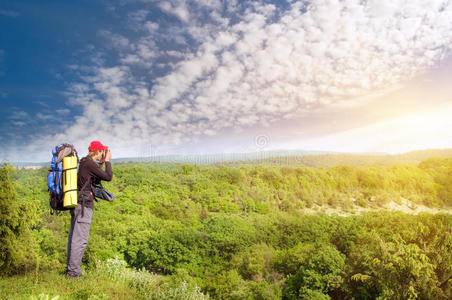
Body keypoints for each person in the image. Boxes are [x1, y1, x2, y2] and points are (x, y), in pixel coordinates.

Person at [66, 140, 113, 278]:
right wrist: (108, 161)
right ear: (98, 152)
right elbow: (108, 177)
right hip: (83, 206)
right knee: (80, 240)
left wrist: (102, 162)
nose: (104, 153)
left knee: (74, 238)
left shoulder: (85, 162)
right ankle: (74, 273)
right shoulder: (88, 163)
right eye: (103, 151)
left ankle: (71, 270)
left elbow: (96, 179)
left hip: (79, 204)